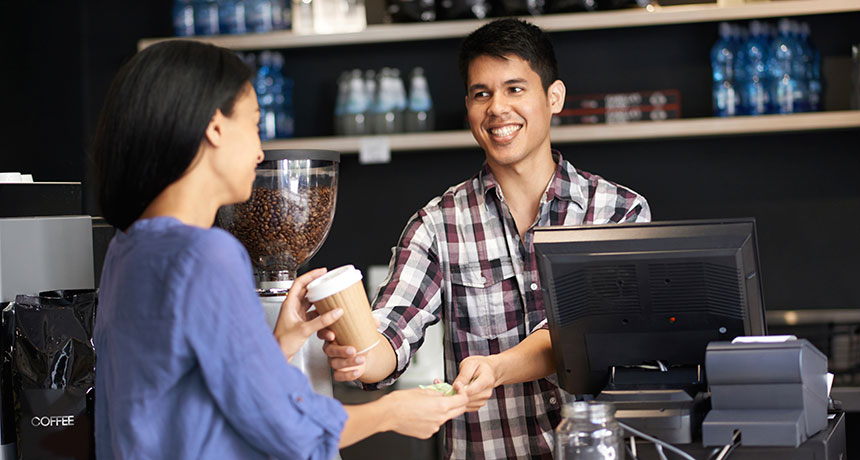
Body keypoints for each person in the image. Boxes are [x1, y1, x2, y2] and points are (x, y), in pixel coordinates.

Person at [91, 40, 468, 460]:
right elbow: (287, 427)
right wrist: (392, 411)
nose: (258, 151)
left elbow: (185, 401)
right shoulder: (206, 254)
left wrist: (278, 343)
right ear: (215, 127)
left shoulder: (126, 248)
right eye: (253, 125)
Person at [322, 18, 651, 459]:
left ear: (554, 97)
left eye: (515, 89)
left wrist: (496, 369)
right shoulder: (437, 225)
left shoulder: (618, 213)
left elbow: (582, 334)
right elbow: (392, 332)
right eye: (482, 93)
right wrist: (360, 353)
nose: (497, 108)